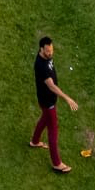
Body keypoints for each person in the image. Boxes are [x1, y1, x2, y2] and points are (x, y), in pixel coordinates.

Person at [30, 36, 77, 175]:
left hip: (47, 100)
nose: (50, 53)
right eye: (48, 51)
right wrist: (67, 98)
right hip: (47, 101)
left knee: (44, 119)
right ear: (41, 49)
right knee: (53, 130)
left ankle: (35, 141)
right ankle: (57, 163)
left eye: (51, 49)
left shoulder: (47, 57)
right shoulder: (41, 65)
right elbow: (51, 85)